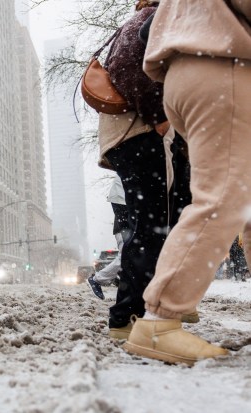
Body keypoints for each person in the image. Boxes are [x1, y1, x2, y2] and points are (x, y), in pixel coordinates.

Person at [122, 0, 250, 364]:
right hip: (223, 65)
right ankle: (159, 323)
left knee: (240, 198)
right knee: (224, 197)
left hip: (195, 69)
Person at [95, 0, 170, 339]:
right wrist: (161, 119)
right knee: (152, 226)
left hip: (130, 138)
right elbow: (130, 73)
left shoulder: (135, 23)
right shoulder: (147, 20)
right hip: (138, 135)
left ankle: (134, 312)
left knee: (150, 225)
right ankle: (128, 316)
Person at [86, 174, 129, 299]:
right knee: (126, 256)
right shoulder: (121, 189)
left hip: (125, 228)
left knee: (129, 258)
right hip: (125, 229)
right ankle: (97, 279)